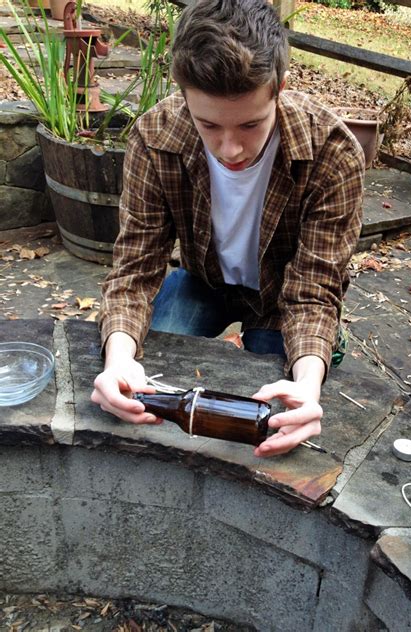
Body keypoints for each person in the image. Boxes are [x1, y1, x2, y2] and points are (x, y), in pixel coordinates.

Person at [91, 0, 365, 456]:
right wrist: (117, 361)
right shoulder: (156, 138)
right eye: (208, 124)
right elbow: (134, 271)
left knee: (274, 416)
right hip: (204, 281)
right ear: (183, 95)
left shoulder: (332, 153)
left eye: (251, 124)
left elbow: (315, 291)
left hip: (283, 302)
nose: (230, 147)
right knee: (140, 389)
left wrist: (309, 384)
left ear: (279, 87)